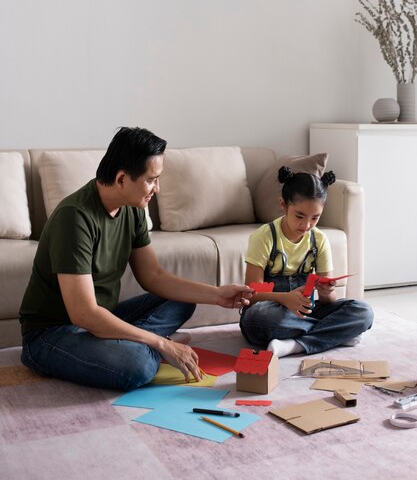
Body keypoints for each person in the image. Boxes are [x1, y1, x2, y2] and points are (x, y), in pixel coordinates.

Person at [19, 126, 253, 391]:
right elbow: (83, 313)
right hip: (53, 334)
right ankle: (139, 345)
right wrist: (161, 343)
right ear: (121, 179)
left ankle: (128, 340)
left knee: (183, 301)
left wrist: (217, 294)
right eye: (151, 180)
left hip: (101, 317)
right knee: (138, 367)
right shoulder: (74, 218)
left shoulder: (133, 208)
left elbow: (153, 276)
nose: (157, 188)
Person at [239, 166, 374, 357]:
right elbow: (251, 296)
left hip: (305, 313)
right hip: (272, 311)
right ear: (283, 205)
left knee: (363, 312)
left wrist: (327, 291)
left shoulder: (319, 240)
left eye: (315, 218)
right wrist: (285, 298)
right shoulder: (264, 237)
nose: (306, 225)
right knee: (260, 318)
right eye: (300, 216)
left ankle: (296, 344)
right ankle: (336, 334)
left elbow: (328, 302)